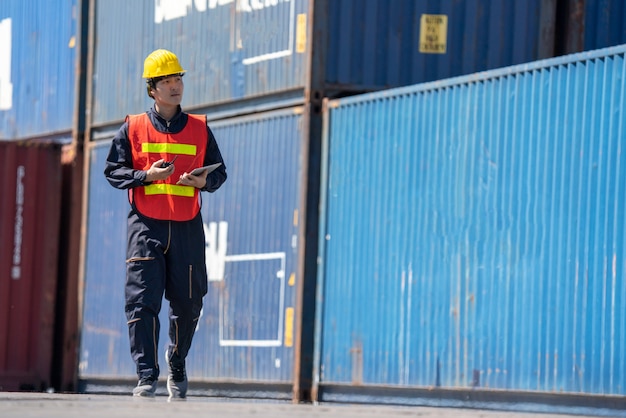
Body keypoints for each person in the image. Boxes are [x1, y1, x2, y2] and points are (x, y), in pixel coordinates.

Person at [103, 49, 227, 400]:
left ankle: (177, 359)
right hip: (146, 227)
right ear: (152, 89)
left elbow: (219, 173)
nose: (176, 86)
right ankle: (146, 375)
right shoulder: (133, 127)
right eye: (168, 81)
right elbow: (113, 170)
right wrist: (144, 175)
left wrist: (202, 183)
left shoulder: (201, 128)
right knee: (142, 302)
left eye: (178, 79)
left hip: (187, 226)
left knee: (189, 303)